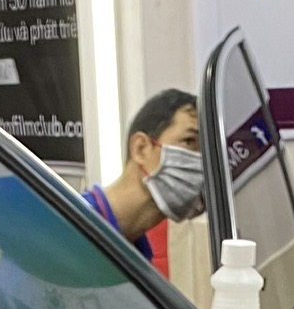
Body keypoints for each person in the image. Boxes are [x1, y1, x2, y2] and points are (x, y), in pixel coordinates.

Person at [82, 89, 203, 263]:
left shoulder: (138, 254)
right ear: (141, 149)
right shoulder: (72, 226)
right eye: (189, 141)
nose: (200, 162)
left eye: (206, 151)